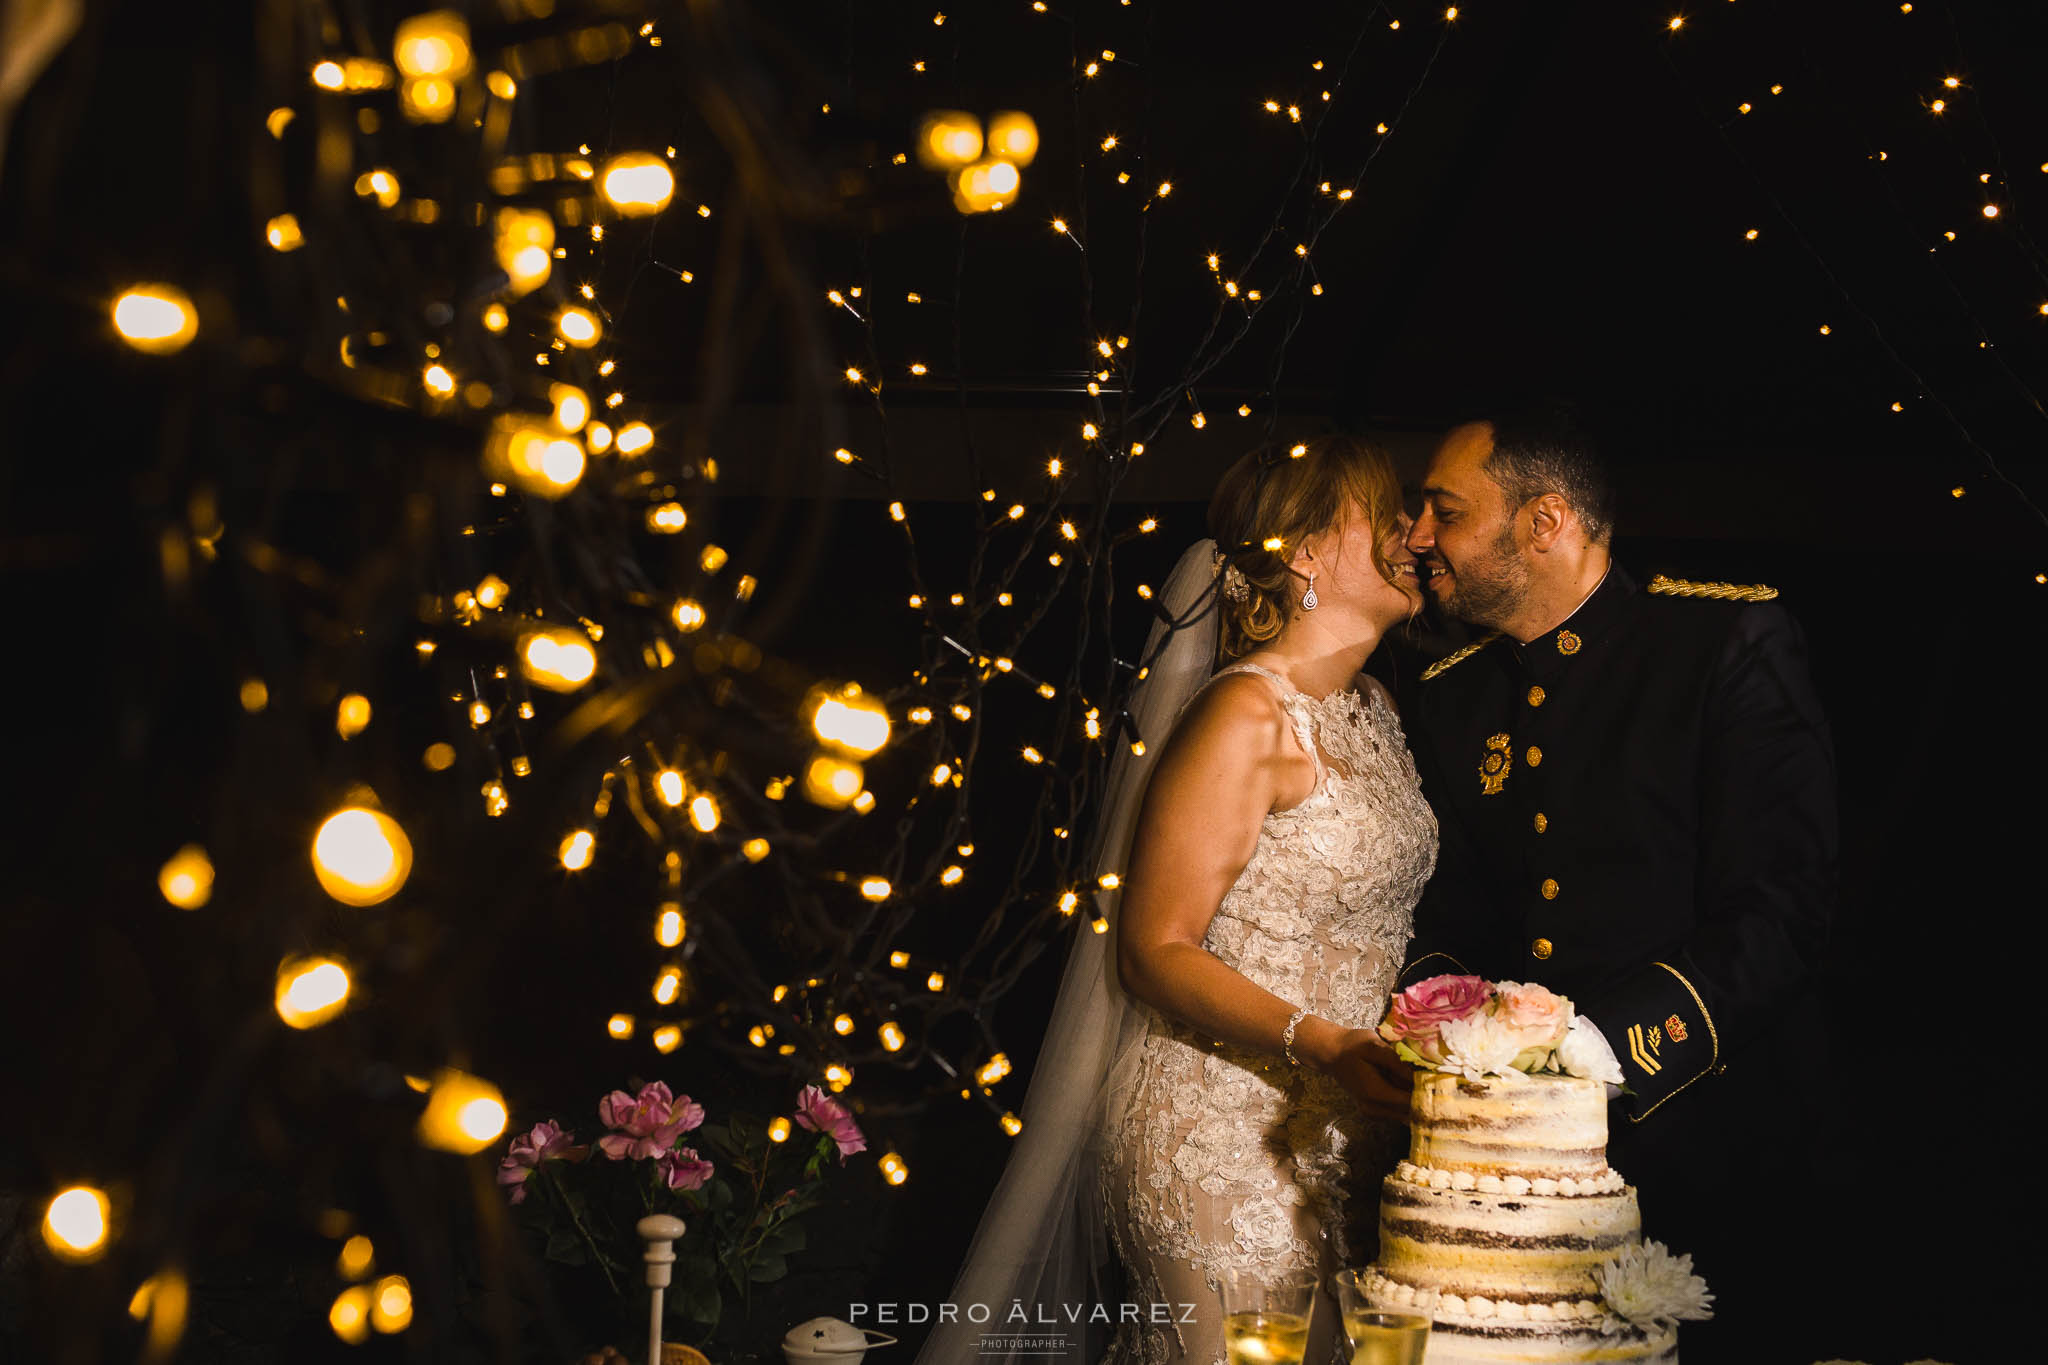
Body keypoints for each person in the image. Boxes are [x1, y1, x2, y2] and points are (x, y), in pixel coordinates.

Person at [913, 437, 1435, 1365]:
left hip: (1347, 1124)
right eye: (1382, 509)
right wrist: (1321, 1041)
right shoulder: (1244, 714)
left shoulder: (1377, 711)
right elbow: (1153, 947)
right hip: (1218, 1124)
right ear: (1305, 549)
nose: (1410, 531)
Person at [1400, 409, 1837, 1358]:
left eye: (1446, 511)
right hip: (1502, 1179)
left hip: (1709, 1146)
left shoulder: (1725, 640)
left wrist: (1600, 1050)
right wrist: (1459, 1035)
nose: (1418, 537)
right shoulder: (1453, 692)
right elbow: (1444, 905)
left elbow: (1782, 909)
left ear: (1543, 521)